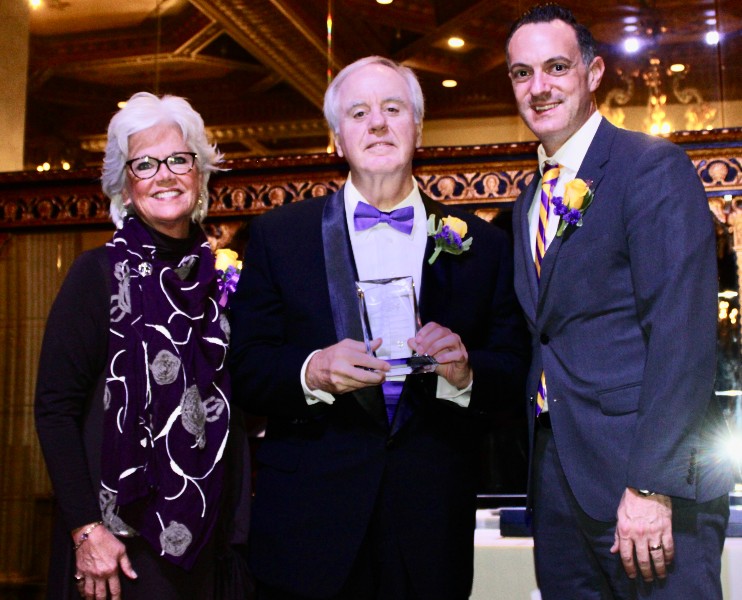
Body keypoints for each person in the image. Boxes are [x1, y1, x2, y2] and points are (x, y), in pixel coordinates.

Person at [229, 56, 529, 600]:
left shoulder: (481, 248)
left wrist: (463, 373)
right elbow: (245, 368)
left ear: (417, 127)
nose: (377, 123)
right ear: (337, 139)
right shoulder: (279, 237)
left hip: (430, 527)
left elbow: (514, 370)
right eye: (359, 112)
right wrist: (311, 371)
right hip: (308, 528)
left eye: (393, 109)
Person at [505, 4, 734, 599]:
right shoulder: (525, 202)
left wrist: (652, 486)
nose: (540, 87)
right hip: (557, 485)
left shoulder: (650, 168)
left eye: (556, 67)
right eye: (522, 73)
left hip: (646, 484)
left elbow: (682, 340)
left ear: (593, 72)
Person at [35, 92, 250, 600]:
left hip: (210, 537)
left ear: (199, 176)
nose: (165, 174)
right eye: (145, 164)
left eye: (179, 159)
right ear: (126, 188)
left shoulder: (225, 277)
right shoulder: (98, 275)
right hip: (117, 545)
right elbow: (54, 410)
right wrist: (87, 529)